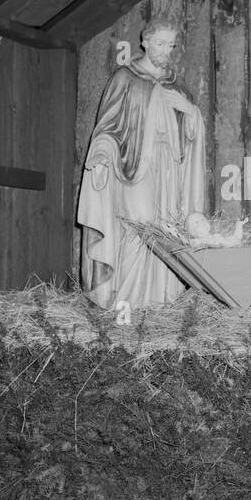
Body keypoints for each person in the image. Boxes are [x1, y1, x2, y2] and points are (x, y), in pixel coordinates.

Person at [77, 19, 205, 308]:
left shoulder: (180, 90)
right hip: (134, 169)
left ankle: (160, 303)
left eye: (170, 45)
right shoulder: (125, 78)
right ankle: (128, 302)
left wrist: (191, 112)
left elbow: (191, 141)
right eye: (159, 44)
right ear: (145, 42)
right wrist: (99, 153)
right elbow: (108, 126)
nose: (165, 51)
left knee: (166, 232)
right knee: (139, 227)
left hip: (170, 169)